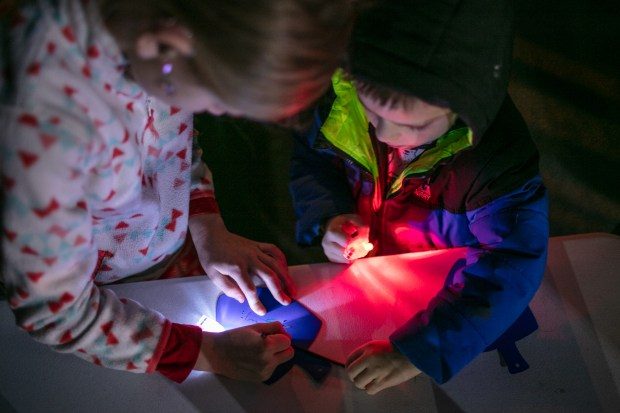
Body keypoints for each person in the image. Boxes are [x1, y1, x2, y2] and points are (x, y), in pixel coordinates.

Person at [0, 0, 352, 383]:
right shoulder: (42, 127)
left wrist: (208, 227)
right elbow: (54, 311)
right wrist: (206, 352)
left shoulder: (161, 54)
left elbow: (172, 144)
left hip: (159, 258)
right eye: (216, 101)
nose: (213, 114)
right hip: (89, 314)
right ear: (169, 42)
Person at [289, 0, 549, 394]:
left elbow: (511, 261)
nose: (384, 135)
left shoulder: (496, 159)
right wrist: (330, 215)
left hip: (448, 295)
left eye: (414, 125)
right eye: (371, 114)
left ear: (466, 108)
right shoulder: (338, 99)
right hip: (370, 284)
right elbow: (312, 160)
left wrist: (419, 352)